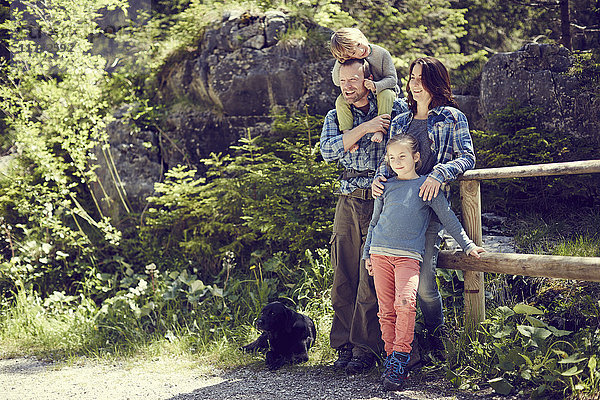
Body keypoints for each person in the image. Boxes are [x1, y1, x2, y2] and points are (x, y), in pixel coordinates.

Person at [371, 56, 476, 356]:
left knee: (426, 286)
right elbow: (388, 161)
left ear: (435, 82)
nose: (413, 84)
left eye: (420, 79)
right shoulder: (401, 119)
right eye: (411, 78)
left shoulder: (453, 117)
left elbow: (467, 157)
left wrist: (439, 173)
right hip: (400, 211)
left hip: (431, 210)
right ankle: (407, 345)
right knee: (396, 292)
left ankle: (436, 334)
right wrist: (380, 178)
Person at [363, 134, 485, 391]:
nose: (397, 161)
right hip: (379, 254)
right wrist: (366, 255)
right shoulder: (385, 186)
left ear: (416, 158)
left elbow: (448, 218)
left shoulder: (427, 187)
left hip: (408, 257)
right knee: (386, 310)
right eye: (392, 157)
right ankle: (391, 361)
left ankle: (401, 355)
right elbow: (374, 223)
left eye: (402, 156)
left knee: (406, 303)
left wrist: (468, 245)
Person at [320, 58, 408, 374]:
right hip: (347, 199)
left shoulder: (393, 107)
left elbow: (401, 145)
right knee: (343, 273)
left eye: (353, 80)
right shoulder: (335, 115)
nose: (347, 87)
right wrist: (366, 128)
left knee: (371, 275)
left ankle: (365, 348)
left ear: (367, 79)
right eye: (342, 81)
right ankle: (343, 345)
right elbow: (329, 151)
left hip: (381, 199)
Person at [330, 27, 399, 145]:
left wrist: (376, 85)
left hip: (384, 90)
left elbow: (392, 79)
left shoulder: (382, 54)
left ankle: (380, 129)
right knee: (341, 100)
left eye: (358, 44)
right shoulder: (351, 61)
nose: (361, 50)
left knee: (385, 94)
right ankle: (347, 134)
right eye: (353, 52)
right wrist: (340, 60)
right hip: (363, 94)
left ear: (362, 36)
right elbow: (337, 81)